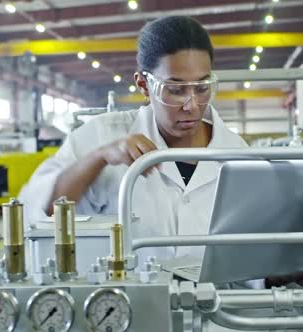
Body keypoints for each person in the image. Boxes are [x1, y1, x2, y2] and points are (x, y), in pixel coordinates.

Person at [19, 16, 247, 264]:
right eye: (175, 89)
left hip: (215, 300)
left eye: (202, 87)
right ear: (143, 85)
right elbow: (43, 211)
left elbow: (254, 244)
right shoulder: (101, 135)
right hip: (126, 300)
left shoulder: (235, 152)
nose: (192, 105)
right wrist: (100, 157)